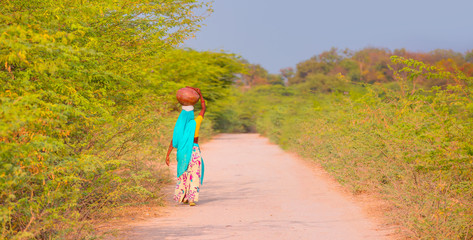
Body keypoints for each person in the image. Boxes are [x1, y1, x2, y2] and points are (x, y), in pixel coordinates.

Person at [165, 87, 205, 206]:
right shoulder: (196, 122)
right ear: (192, 114)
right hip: (194, 152)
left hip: (183, 153)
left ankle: (183, 197)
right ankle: (191, 199)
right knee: (194, 174)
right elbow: (203, 109)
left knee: (184, 173)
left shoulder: (180, 126)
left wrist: (167, 155)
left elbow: (174, 140)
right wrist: (200, 94)